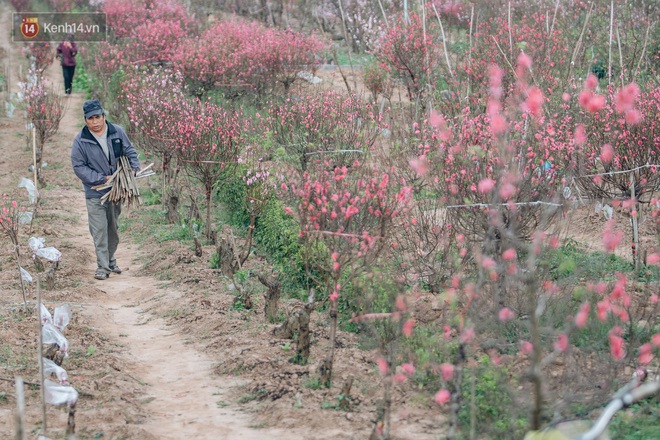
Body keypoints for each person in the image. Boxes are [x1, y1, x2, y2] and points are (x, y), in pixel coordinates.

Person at [71, 100, 141, 280]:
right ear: (85, 120)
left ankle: (110, 260)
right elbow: (79, 167)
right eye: (90, 118)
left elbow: (129, 151)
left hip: (117, 190)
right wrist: (102, 179)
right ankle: (102, 267)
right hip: (95, 191)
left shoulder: (117, 132)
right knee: (99, 230)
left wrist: (134, 168)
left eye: (97, 117)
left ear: (103, 116)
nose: (95, 122)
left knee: (113, 228)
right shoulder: (81, 140)